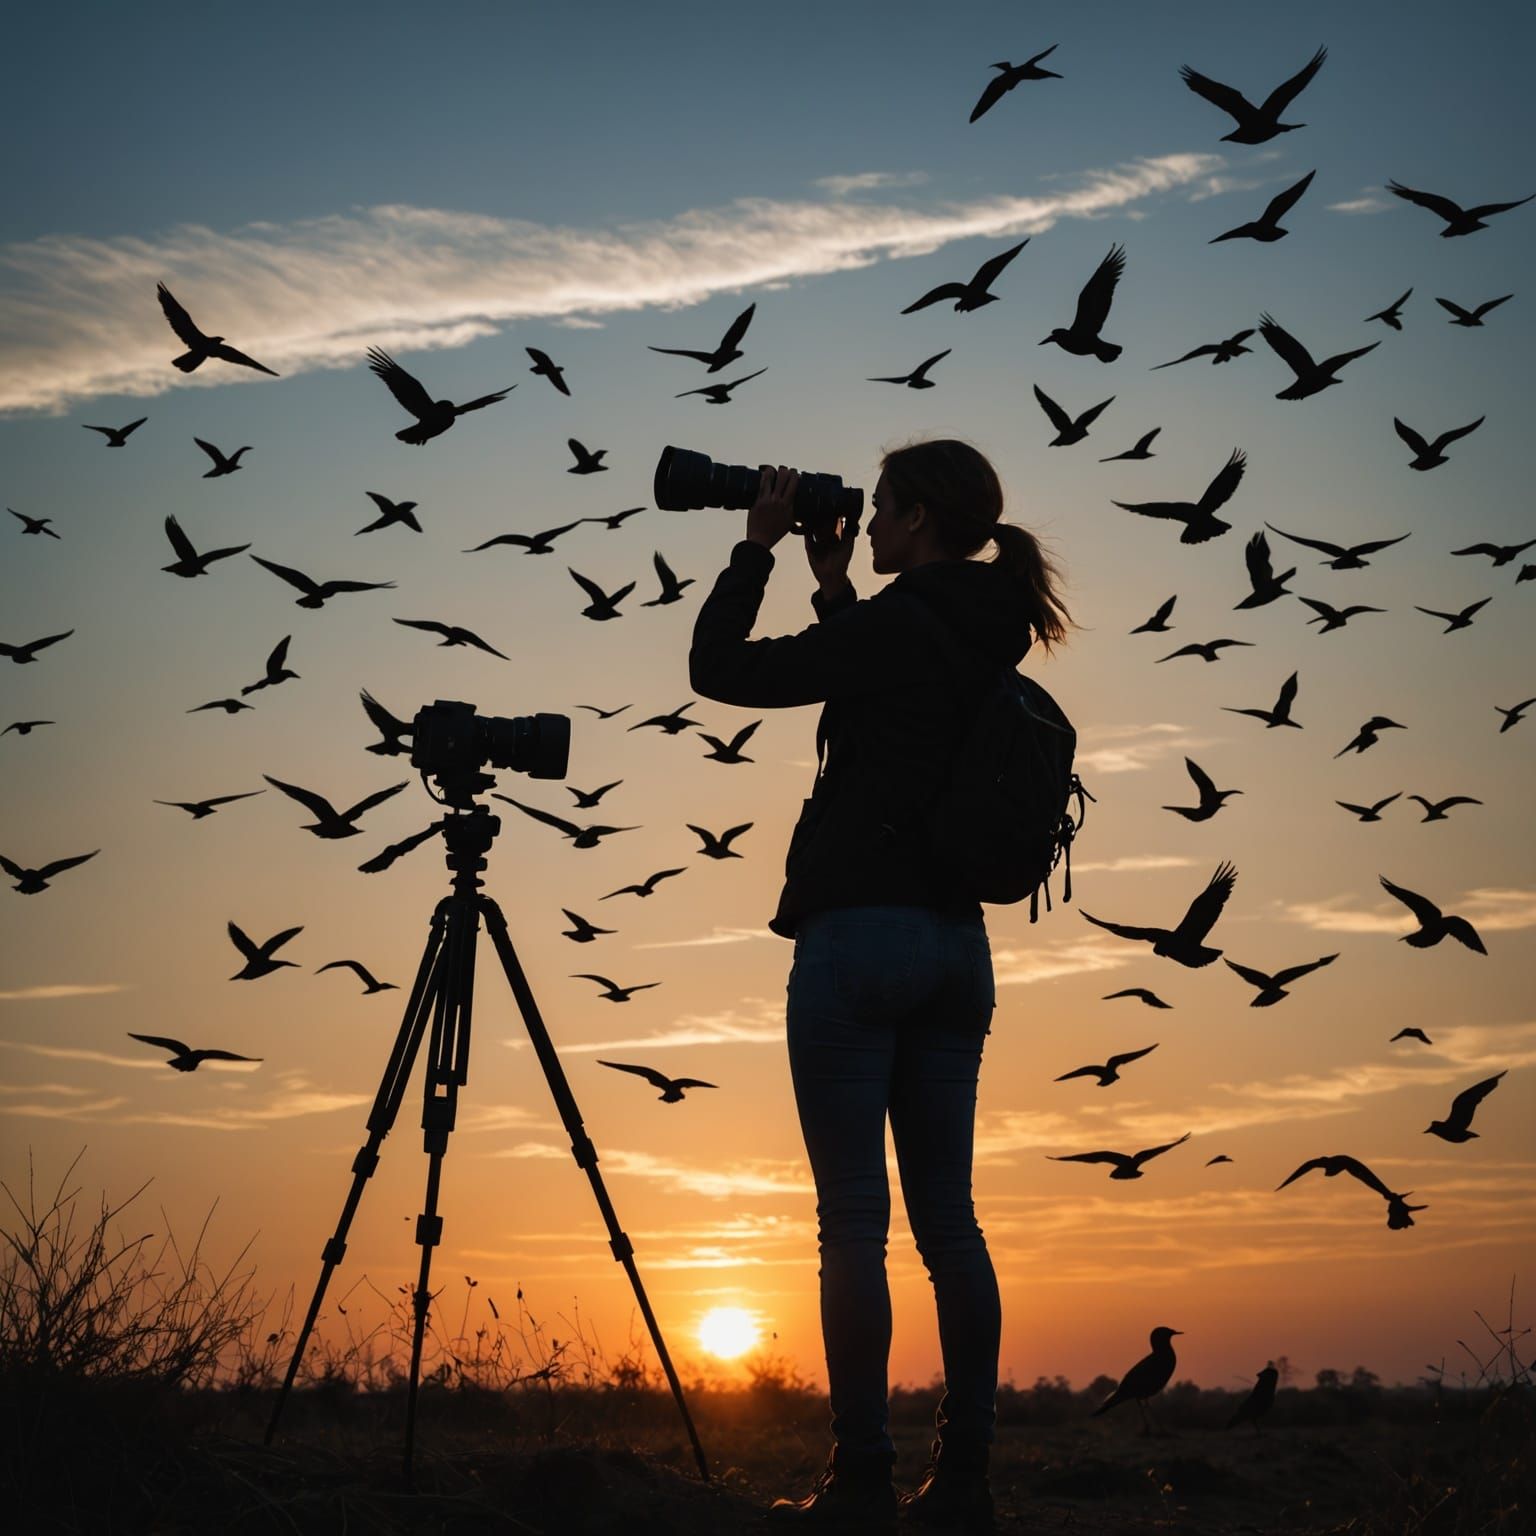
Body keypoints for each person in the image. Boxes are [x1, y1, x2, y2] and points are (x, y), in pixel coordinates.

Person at [688, 439, 1075, 1531]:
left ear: (914, 521)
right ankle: (965, 1483)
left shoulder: (903, 625)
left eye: (884, 507)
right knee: (949, 1223)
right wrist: (834, 587)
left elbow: (722, 672)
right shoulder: (983, 626)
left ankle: (861, 1478)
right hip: (959, 950)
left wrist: (754, 551)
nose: (871, 516)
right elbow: (895, 683)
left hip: (861, 937)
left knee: (854, 1220)